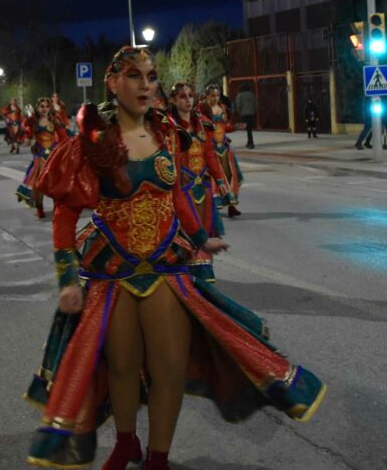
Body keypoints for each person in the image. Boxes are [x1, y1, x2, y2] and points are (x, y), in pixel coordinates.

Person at [24, 47, 325, 470]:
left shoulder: (167, 133)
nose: (146, 84)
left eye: (151, 76)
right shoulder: (92, 141)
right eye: (135, 76)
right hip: (113, 269)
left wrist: (202, 237)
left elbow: (178, 193)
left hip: (166, 264)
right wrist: (68, 280)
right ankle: (126, 443)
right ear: (112, 82)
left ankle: (158, 459)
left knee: (168, 371)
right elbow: (65, 216)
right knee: (123, 369)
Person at [169, 81, 228, 282]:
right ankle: (187, 267)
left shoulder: (203, 124)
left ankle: (203, 266)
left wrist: (219, 179)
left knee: (205, 224)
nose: (188, 100)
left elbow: (210, 154)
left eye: (190, 96)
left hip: (202, 186)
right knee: (183, 227)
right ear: (174, 100)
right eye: (182, 97)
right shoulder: (169, 126)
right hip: (181, 188)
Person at [15, 97, 69, 218]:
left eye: (46, 106)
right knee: (38, 183)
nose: (44, 109)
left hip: (53, 154)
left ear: (50, 108)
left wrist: (66, 148)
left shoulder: (55, 121)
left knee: (55, 182)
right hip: (39, 154)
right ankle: (40, 208)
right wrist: (26, 138)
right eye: (42, 106)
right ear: (38, 108)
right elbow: (28, 138)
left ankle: (57, 207)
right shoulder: (33, 122)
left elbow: (64, 137)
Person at [198, 83, 243, 218]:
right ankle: (213, 208)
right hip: (210, 148)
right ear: (207, 96)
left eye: (217, 95)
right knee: (215, 177)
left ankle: (231, 206)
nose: (215, 98)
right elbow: (199, 127)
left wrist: (234, 127)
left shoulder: (222, 107)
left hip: (224, 146)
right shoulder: (202, 109)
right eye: (212, 96)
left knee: (232, 175)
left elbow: (224, 126)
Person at [233, 83, 257, 149]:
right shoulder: (251, 94)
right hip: (251, 113)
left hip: (244, 114)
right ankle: (249, 142)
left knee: (248, 129)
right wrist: (254, 111)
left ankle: (251, 143)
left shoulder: (240, 95)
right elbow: (255, 104)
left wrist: (239, 112)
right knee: (249, 128)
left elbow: (238, 105)